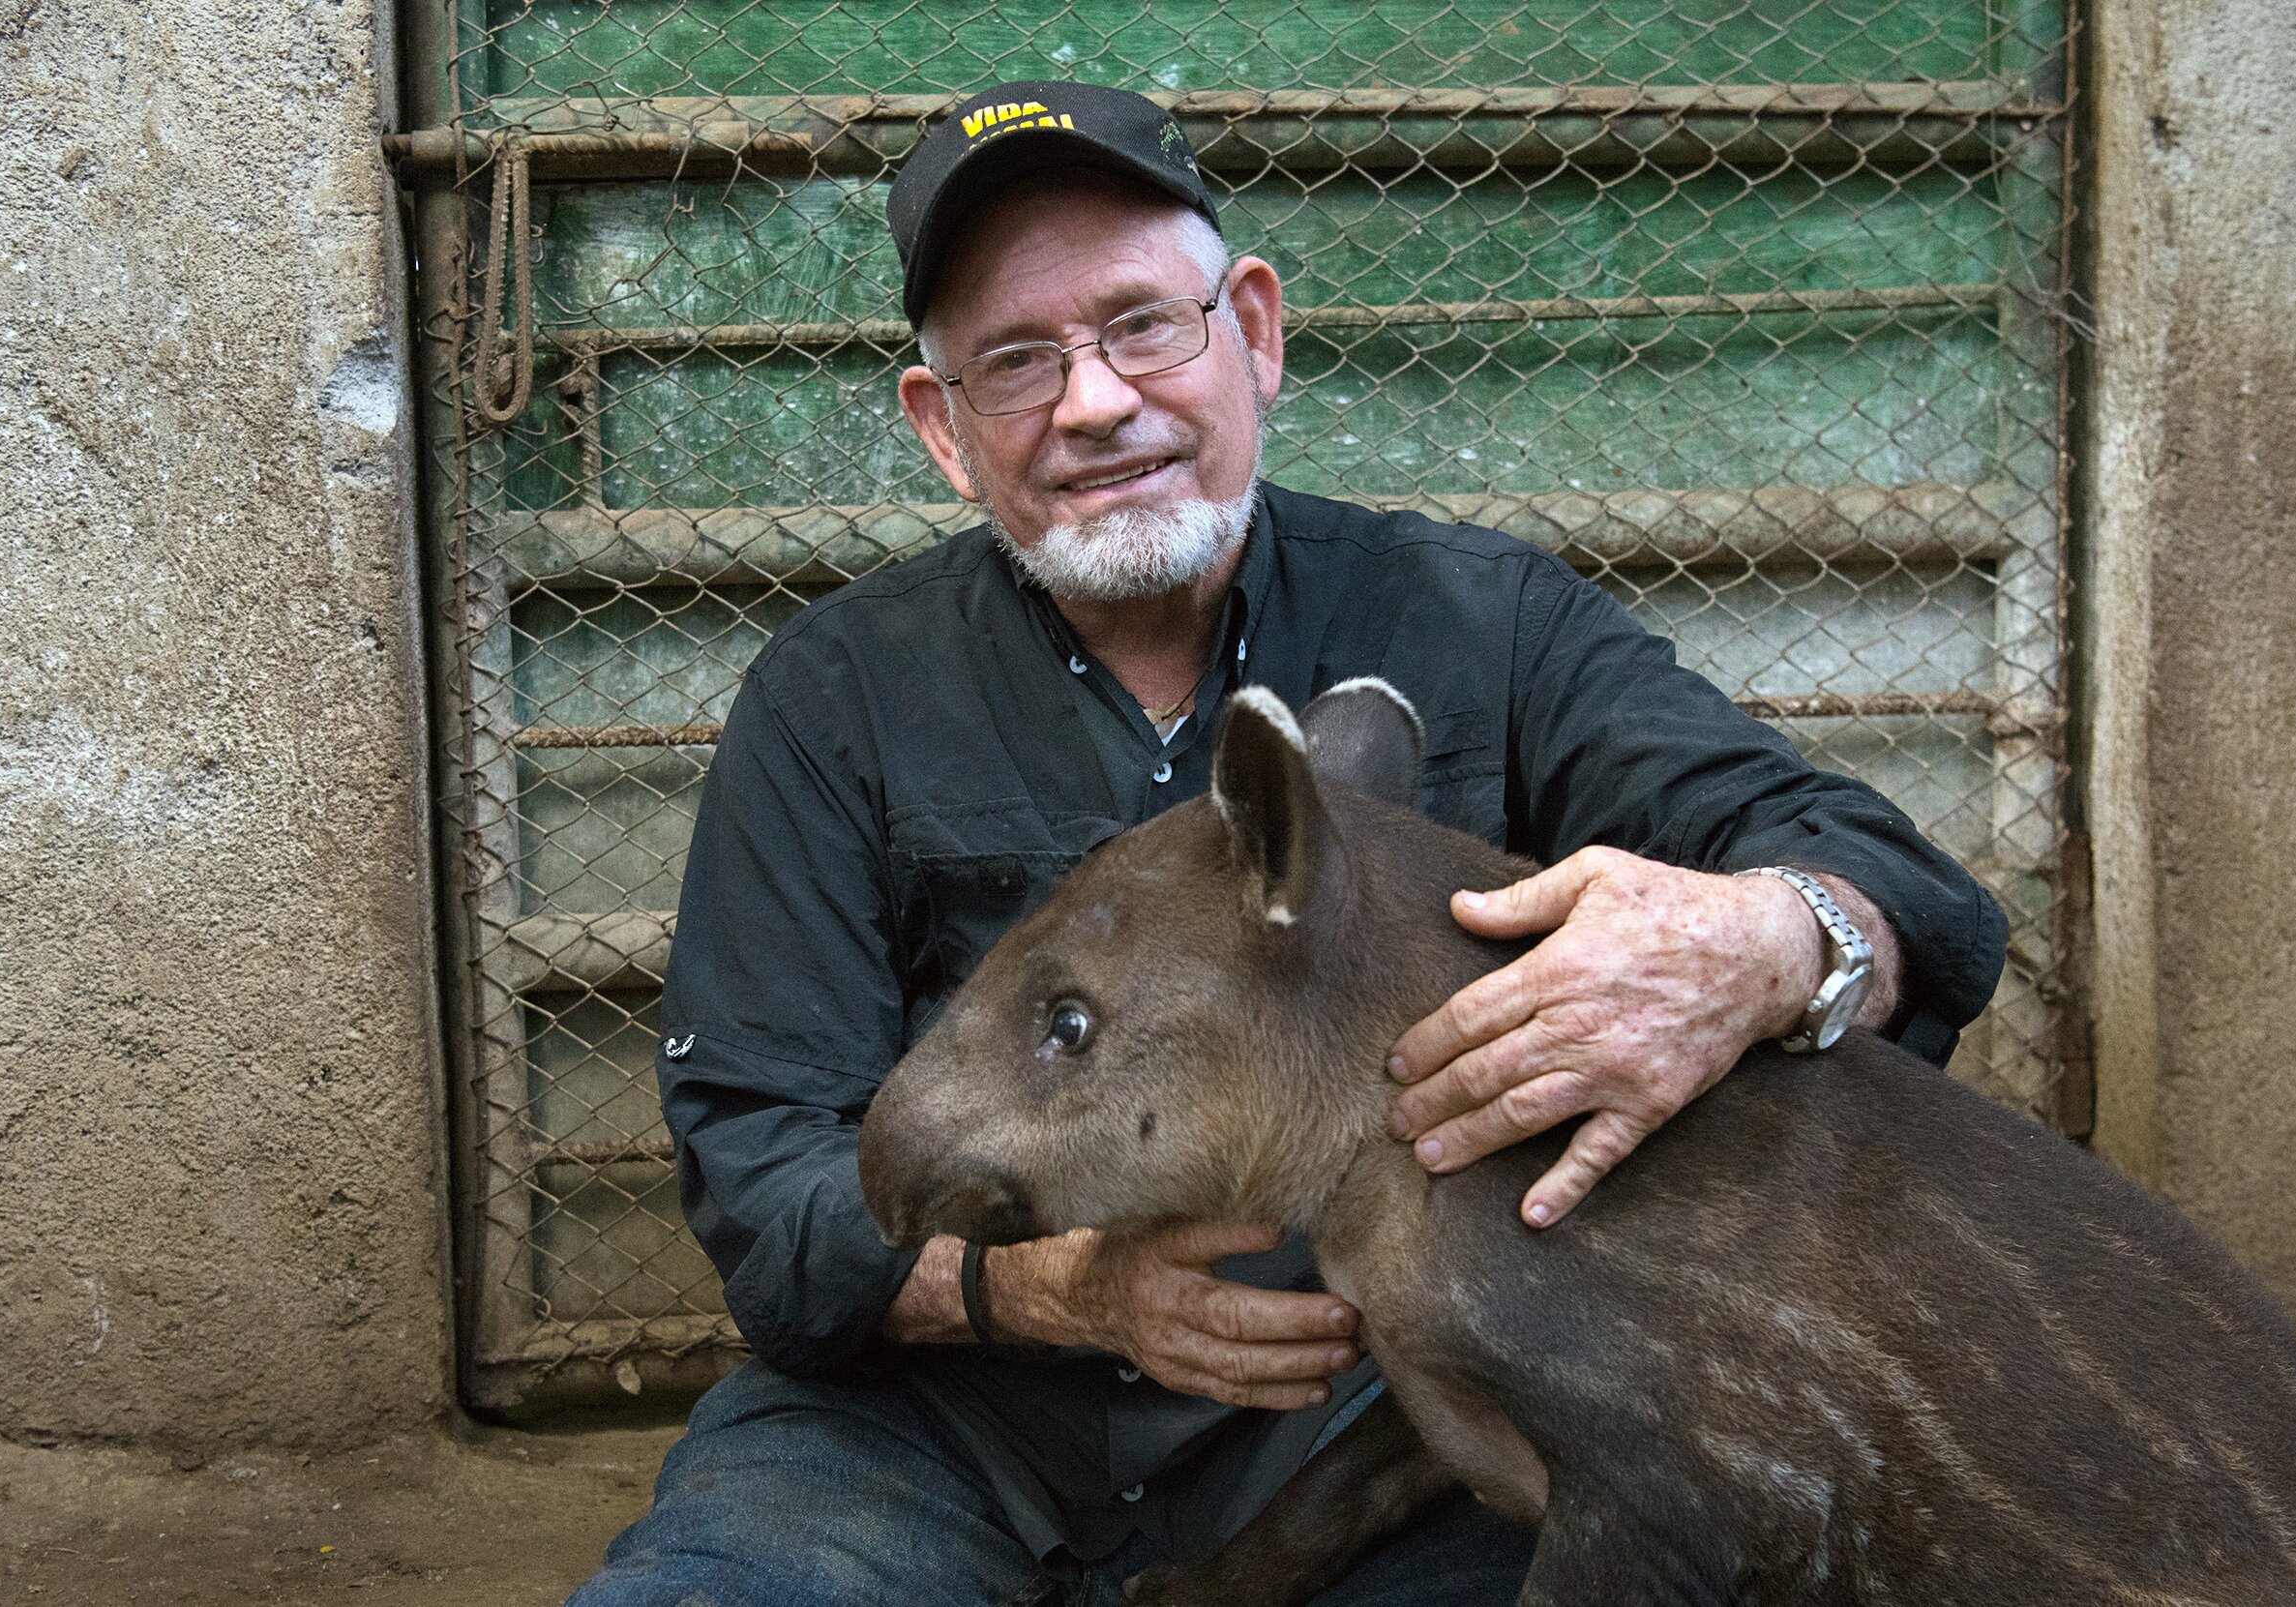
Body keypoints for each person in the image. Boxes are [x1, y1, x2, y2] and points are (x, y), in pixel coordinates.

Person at [567, 80, 2006, 1607]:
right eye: (1016, 362)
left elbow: (1885, 883)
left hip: (1393, 1434)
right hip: (932, 1431)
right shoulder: (832, 697)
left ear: (1251, 331)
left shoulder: (1485, 626)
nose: (1096, 402)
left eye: (1141, 326)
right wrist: (1058, 1288)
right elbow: (764, 1184)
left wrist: (1769, 941)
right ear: (943, 429)